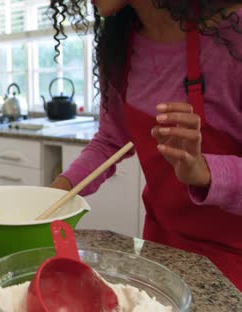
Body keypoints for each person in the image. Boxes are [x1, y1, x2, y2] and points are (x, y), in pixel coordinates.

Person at [49, 0, 242, 290]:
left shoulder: (233, 36)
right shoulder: (119, 49)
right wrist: (57, 193)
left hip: (233, 257)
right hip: (162, 244)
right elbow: (111, 140)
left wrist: (206, 172)